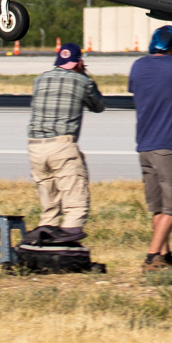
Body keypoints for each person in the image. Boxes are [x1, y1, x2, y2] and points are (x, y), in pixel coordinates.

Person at [128, 25, 172, 270]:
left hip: (145, 145)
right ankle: (152, 255)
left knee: (158, 206)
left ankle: (166, 256)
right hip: (170, 144)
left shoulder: (138, 66)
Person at [28, 43, 105, 241]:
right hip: (61, 146)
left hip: (35, 147)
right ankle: (66, 246)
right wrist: (85, 76)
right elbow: (98, 106)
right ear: (78, 62)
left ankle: (43, 245)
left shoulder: (40, 80)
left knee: (50, 206)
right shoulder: (82, 81)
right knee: (76, 205)